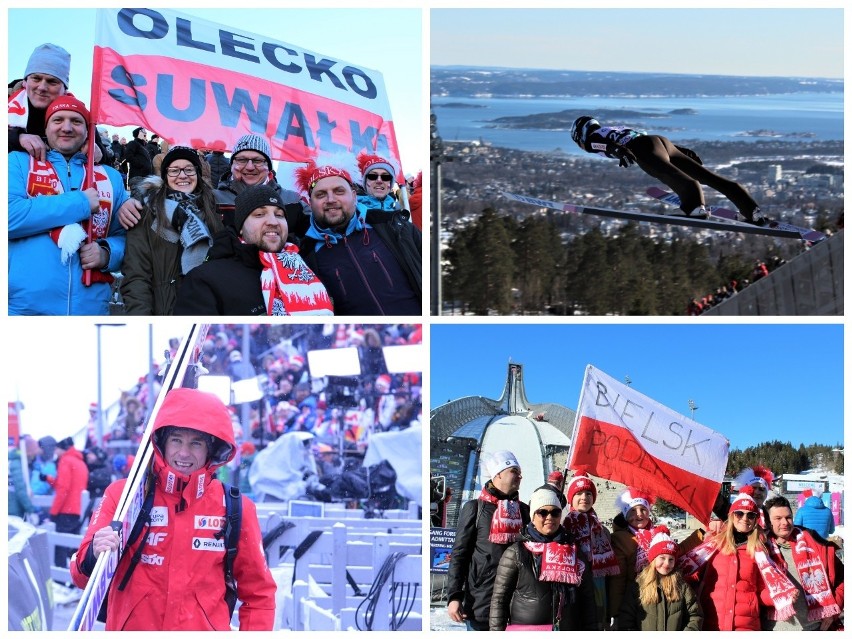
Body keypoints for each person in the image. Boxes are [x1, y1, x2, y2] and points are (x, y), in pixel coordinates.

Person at [70, 388, 276, 630]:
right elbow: (80, 577)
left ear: (212, 449)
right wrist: (95, 553)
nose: (184, 453)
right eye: (176, 440)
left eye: (196, 443)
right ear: (162, 443)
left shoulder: (235, 507)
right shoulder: (122, 496)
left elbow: (259, 594)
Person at [9, 96, 127, 315]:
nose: (66, 127)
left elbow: (125, 236)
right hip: (24, 308)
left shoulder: (110, 176)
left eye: (76, 121)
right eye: (58, 120)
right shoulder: (17, 162)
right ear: (46, 127)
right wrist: (80, 203)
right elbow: (8, 217)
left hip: (90, 309)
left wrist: (108, 254)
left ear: (87, 130)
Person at [570, 115, 764, 224]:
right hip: (661, 142)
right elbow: (642, 139)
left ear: (580, 134)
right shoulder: (611, 128)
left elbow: (602, 145)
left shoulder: (590, 139)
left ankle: (694, 208)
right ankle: (751, 210)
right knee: (709, 177)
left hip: (641, 148)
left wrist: (620, 152)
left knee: (670, 175)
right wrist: (681, 151)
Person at [174, 184, 334, 316]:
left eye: (279, 215)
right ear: (241, 228)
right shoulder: (204, 280)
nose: (273, 221)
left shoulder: (306, 268)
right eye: (259, 214)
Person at [294, 162, 422, 315]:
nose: (330, 199)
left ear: (354, 196)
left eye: (339, 191)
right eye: (320, 194)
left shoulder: (396, 227)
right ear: (310, 202)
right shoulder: (305, 257)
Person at [120, 145, 223, 314]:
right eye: (174, 170)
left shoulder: (212, 210)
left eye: (189, 169)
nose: (182, 175)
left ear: (197, 173)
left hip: (206, 312)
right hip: (163, 314)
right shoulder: (145, 213)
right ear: (165, 175)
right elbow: (136, 276)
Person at [678, 485, 797, 630]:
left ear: (755, 520)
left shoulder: (760, 550)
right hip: (712, 623)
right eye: (739, 513)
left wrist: (779, 596)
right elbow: (692, 575)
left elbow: (761, 591)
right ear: (731, 515)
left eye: (751, 515)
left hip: (746, 626)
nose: (745, 519)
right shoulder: (713, 543)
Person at [490, 485, 597, 630]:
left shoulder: (574, 551)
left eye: (555, 512)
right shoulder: (516, 552)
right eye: (542, 512)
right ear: (533, 516)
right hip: (526, 629)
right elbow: (499, 600)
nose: (549, 517)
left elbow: (587, 600)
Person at [446, 450, 530, 630]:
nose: (519, 477)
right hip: (482, 600)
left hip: (518, 604)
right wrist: (454, 596)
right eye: (514, 471)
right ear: (498, 474)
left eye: (520, 473)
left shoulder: (524, 511)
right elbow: (460, 554)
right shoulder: (475, 509)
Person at [763, 495, 843, 630]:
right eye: (778, 518)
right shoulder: (761, 551)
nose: (785, 522)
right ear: (768, 522)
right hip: (776, 628)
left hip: (814, 628)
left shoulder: (816, 544)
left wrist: (833, 611)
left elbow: (844, 579)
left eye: (788, 517)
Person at [213, 134, 309, 233]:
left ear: (269, 167)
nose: (250, 167)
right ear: (232, 165)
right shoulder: (211, 199)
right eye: (242, 160)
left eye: (257, 161)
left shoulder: (293, 200)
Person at [607, 487, 671, 629]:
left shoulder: (659, 534)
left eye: (643, 509)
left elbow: (675, 555)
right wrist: (616, 613)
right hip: (634, 599)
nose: (639, 514)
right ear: (625, 515)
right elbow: (618, 578)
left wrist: (700, 535)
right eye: (633, 511)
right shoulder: (621, 539)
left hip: (659, 596)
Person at [562, 473, 619, 630]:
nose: (584, 497)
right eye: (579, 493)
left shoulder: (603, 530)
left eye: (588, 493)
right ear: (570, 497)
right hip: (574, 587)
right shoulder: (563, 527)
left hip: (598, 586)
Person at [619, 532, 703, 630]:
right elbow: (626, 619)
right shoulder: (638, 586)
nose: (667, 563)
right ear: (653, 559)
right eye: (662, 558)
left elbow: (695, 616)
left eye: (671, 559)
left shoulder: (681, 586)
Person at [9, 43, 70, 160]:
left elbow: (106, 158)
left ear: (65, 90)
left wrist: (97, 150)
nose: (42, 87)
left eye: (52, 81)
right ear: (24, 82)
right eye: (36, 78)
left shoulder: (77, 113)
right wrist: (16, 138)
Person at [50, 437, 89, 567]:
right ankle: (74, 574)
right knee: (73, 546)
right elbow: (70, 486)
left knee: (60, 546)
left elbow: (63, 489)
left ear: (62, 448)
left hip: (66, 510)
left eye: (56, 449)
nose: (55, 452)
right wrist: (48, 479)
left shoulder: (65, 461)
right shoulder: (80, 462)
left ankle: (60, 580)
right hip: (77, 510)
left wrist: (54, 512)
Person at [733, 464, 774, 529]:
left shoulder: (771, 513)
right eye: (753, 488)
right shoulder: (735, 510)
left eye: (762, 489)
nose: (757, 492)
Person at [9, 442, 36, 519]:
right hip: (13, 508)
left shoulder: (13, 461)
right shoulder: (17, 464)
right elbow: (20, 489)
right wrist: (30, 510)